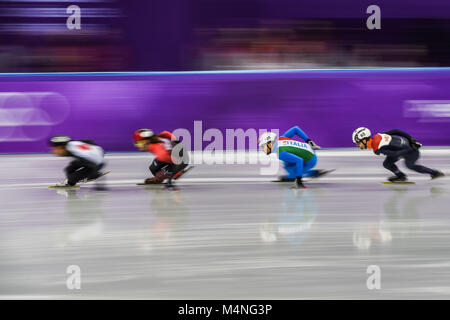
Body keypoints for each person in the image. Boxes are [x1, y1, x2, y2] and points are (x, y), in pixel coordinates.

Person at [352, 127, 444, 182]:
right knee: (387, 163)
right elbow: (396, 131)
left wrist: (410, 147)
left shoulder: (377, 148)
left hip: (411, 151)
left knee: (410, 165)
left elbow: (395, 153)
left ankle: (434, 173)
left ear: (364, 140)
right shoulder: (378, 136)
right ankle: (401, 176)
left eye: (358, 143)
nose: (357, 145)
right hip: (409, 146)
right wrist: (411, 139)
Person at [259, 126, 329, 189]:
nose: (262, 149)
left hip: (310, 160)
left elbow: (299, 161)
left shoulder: (281, 154)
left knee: (293, 172)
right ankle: (293, 176)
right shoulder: (281, 138)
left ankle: (311, 173)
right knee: (287, 165)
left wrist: (299, 180)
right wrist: (308, 141)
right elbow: (295, 129)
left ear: (270, 144)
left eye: (263, 146)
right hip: (309, 151)